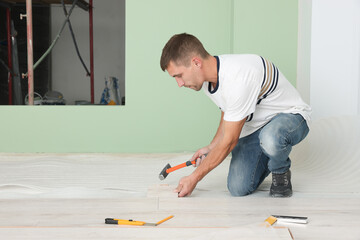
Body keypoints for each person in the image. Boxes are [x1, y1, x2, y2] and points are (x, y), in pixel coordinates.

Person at [160, 33, 311, 198]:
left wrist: (194, 177)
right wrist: (211, 147)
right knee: (237, 187)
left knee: (271, 138)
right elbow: (228, 111)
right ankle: (269, 152)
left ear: (196, 62)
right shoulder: (207, 81)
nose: (179, 84)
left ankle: (280, 170)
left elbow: (229, 142)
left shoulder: (238, 77)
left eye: (179, 75)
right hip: (255, 128)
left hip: (290, 117)